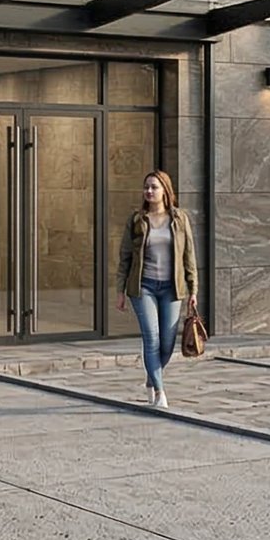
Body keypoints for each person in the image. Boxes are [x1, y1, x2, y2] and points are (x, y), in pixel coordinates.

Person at [115, 169, 198, 409]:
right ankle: (160, 391)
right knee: (151, 339)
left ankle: (151, 379)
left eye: (154, 187)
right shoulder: (136, 220)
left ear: (165, 190)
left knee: (168, 343)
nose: (149, 191)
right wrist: (120, 291)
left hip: (172, 289)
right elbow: (125, 258)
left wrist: (193, 290)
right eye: (146, 187)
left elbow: (189, 256)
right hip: (144, 287)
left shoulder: (180, 219)